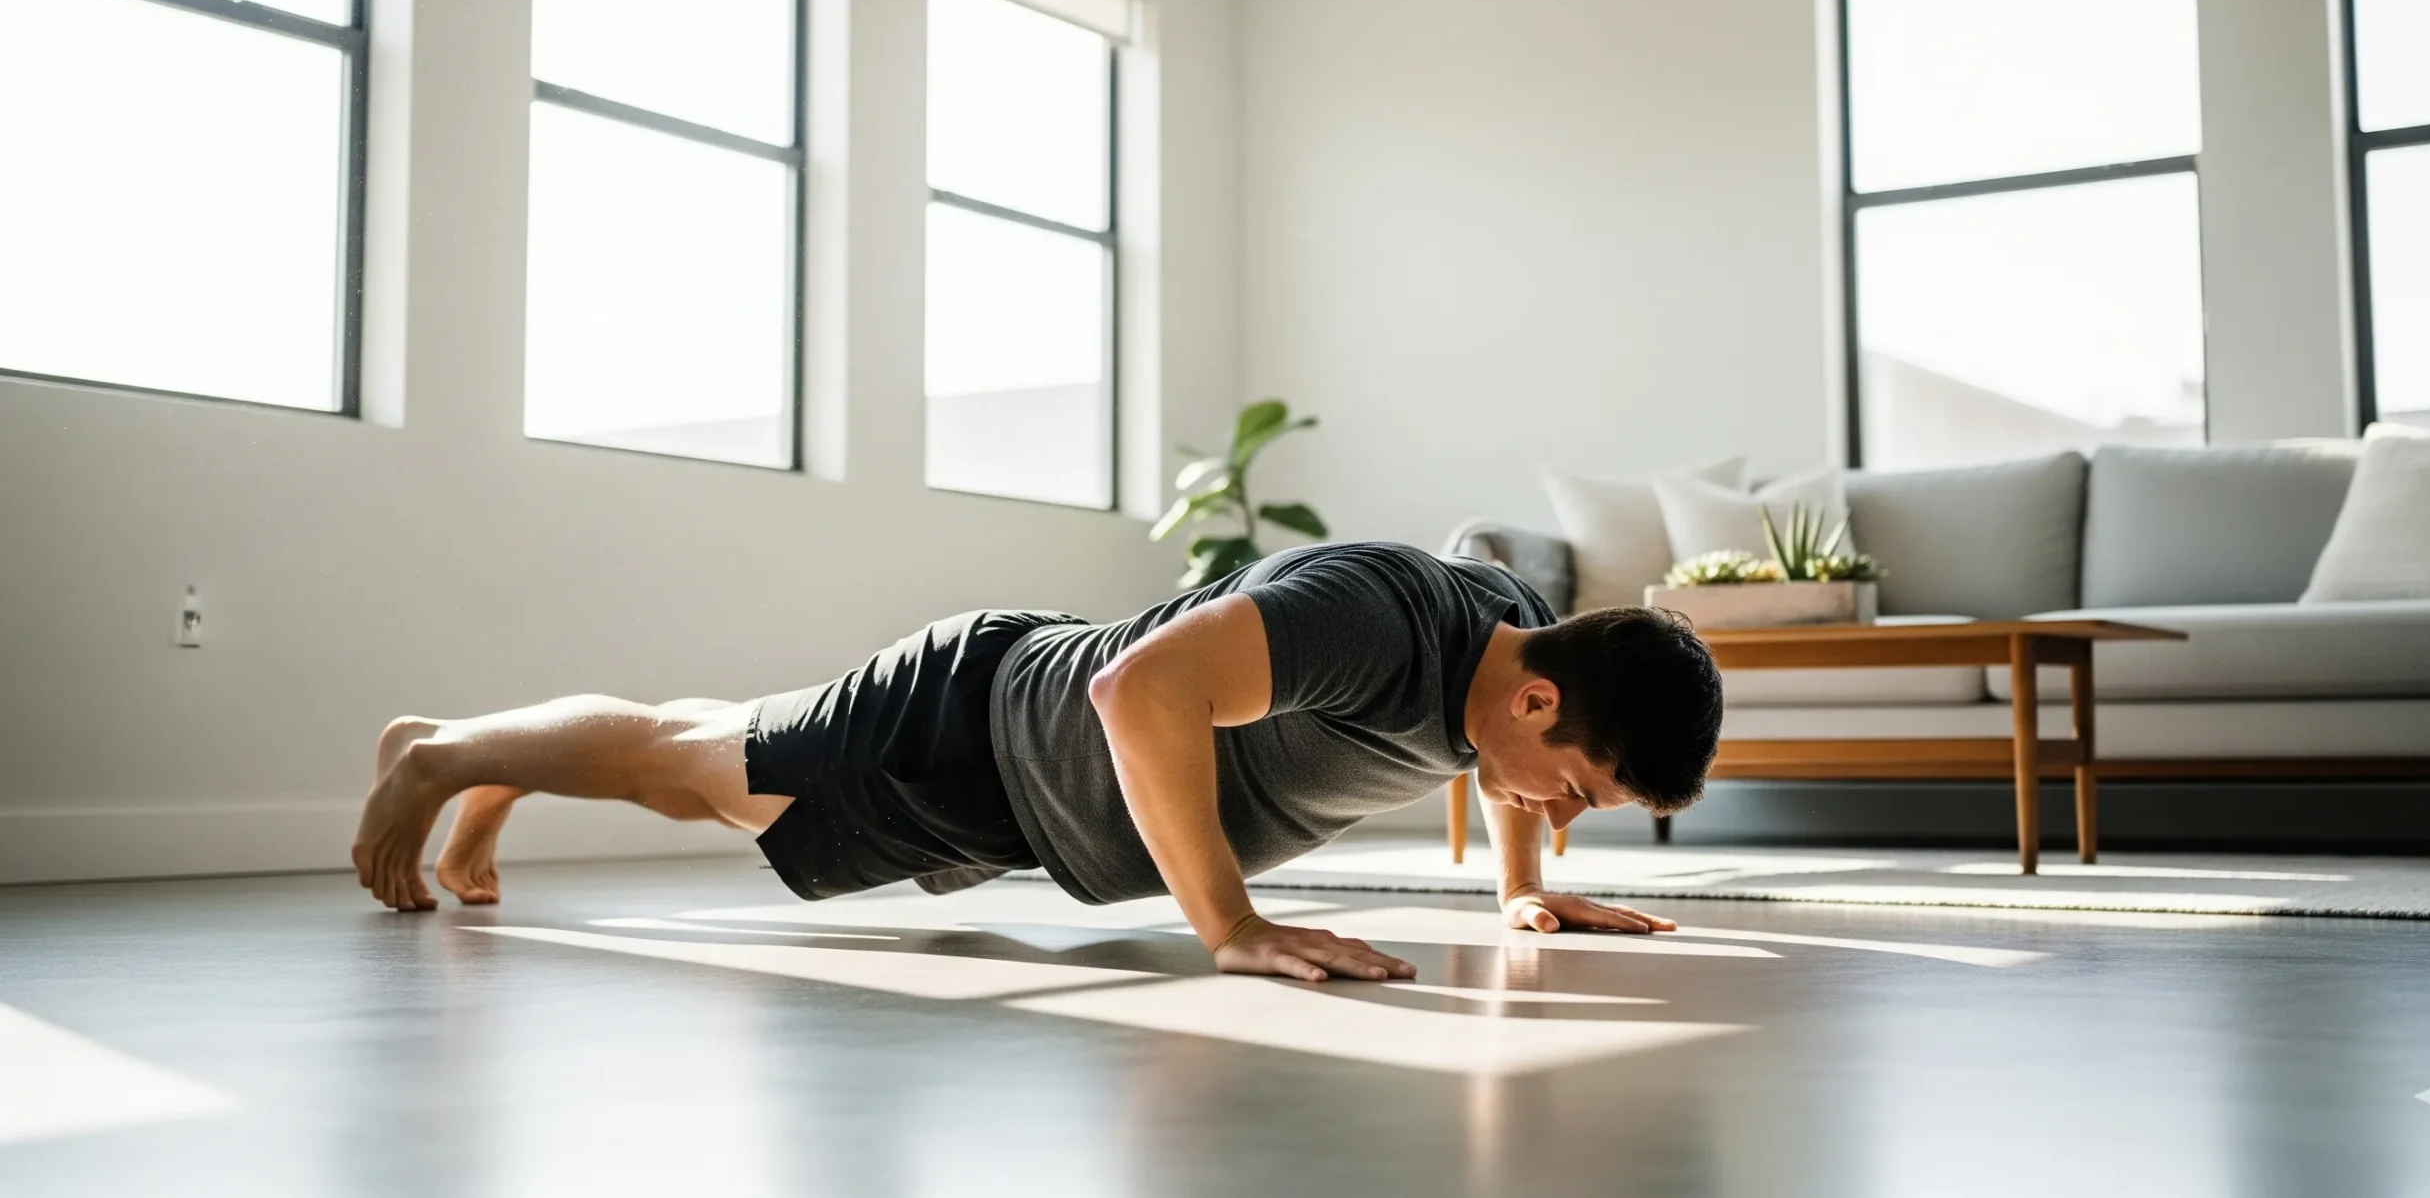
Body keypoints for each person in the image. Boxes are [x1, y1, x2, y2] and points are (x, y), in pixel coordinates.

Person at [352, 540, 1725, 981]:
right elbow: (1140, 691)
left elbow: (1502, 764)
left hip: (1022, 793)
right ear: (1541, 700)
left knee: (704, 760)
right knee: (685, 766)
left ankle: (500, 768)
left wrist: (1516, 888)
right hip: (980, 731)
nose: (1555, 811)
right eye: (1580, 792)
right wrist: (1229, 925)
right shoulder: (1375, 621)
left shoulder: (1510, 665)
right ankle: (439, 753)